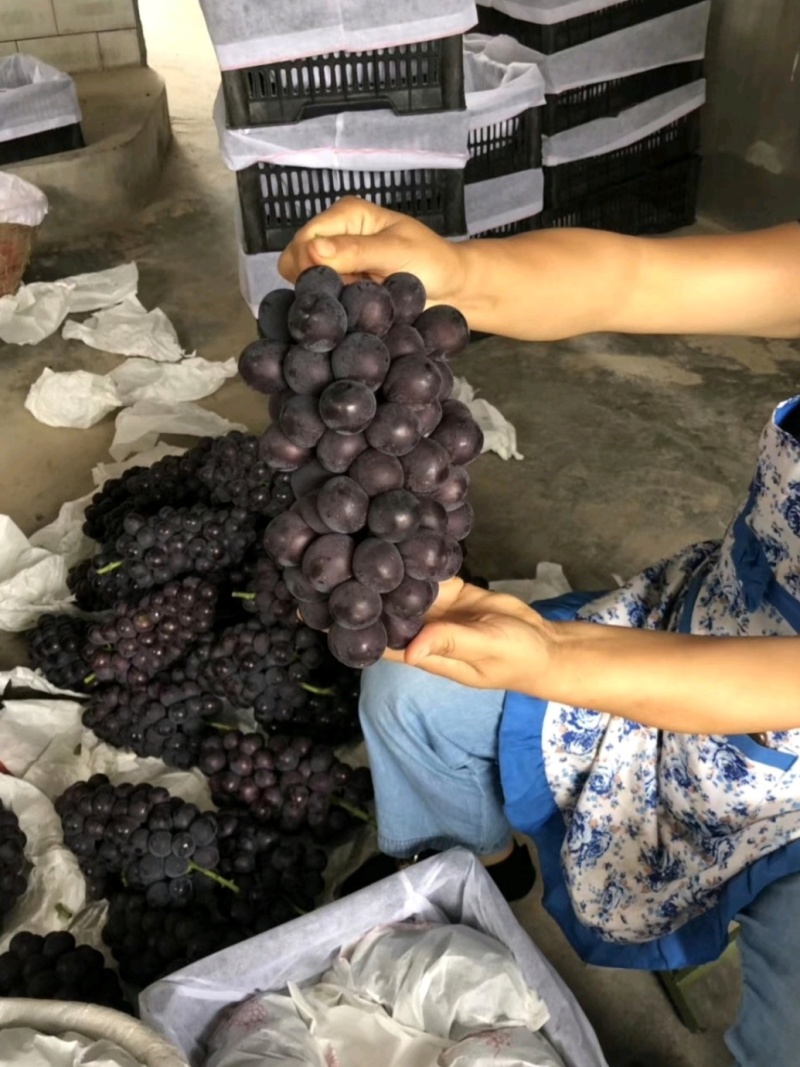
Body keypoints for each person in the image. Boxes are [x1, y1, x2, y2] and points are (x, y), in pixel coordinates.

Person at [279, 198, 800, 1066]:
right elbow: (635, 277)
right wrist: (456, 273)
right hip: (709, 623)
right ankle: (484, 867)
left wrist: (560, 658)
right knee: (414, 688)